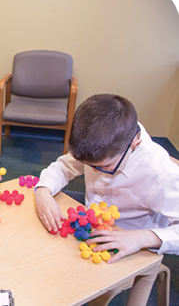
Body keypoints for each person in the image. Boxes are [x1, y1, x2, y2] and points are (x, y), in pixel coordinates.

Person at [34, 93, 179, 264]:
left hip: (132, 243)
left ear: (134, 144)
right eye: (89, 165)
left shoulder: (162, 174)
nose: (94, 170)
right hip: (92, 223)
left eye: (104, 167)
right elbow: (64, 166)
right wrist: (43, 191)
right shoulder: (100, 141)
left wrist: (144, 237)